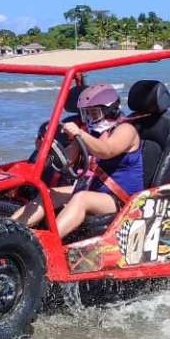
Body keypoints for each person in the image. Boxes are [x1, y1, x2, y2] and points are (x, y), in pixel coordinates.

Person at [12, 84, 143, 238]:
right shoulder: (91, 131)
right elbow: (65, 161)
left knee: (81, 199)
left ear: (109, 110)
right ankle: (9, 232)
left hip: (123, 198)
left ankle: (46, 244)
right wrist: (47, 149)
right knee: (49, 194)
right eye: (85, 113)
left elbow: (107, 151)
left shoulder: (126, 129)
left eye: (93, 113)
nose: (88, 118)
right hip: (94, 188)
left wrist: (79, 133)